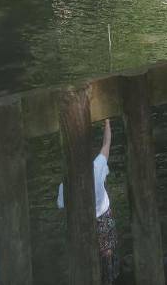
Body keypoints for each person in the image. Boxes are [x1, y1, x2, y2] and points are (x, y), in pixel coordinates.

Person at [57, 119, 118, 283]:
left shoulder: (65, 185)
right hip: (103, 217)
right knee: (107, 255)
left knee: (88, 258)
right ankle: (109, 279)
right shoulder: (96, 168)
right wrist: (107, 123)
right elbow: (106, 144)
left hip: (83, 223)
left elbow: (62, 206)